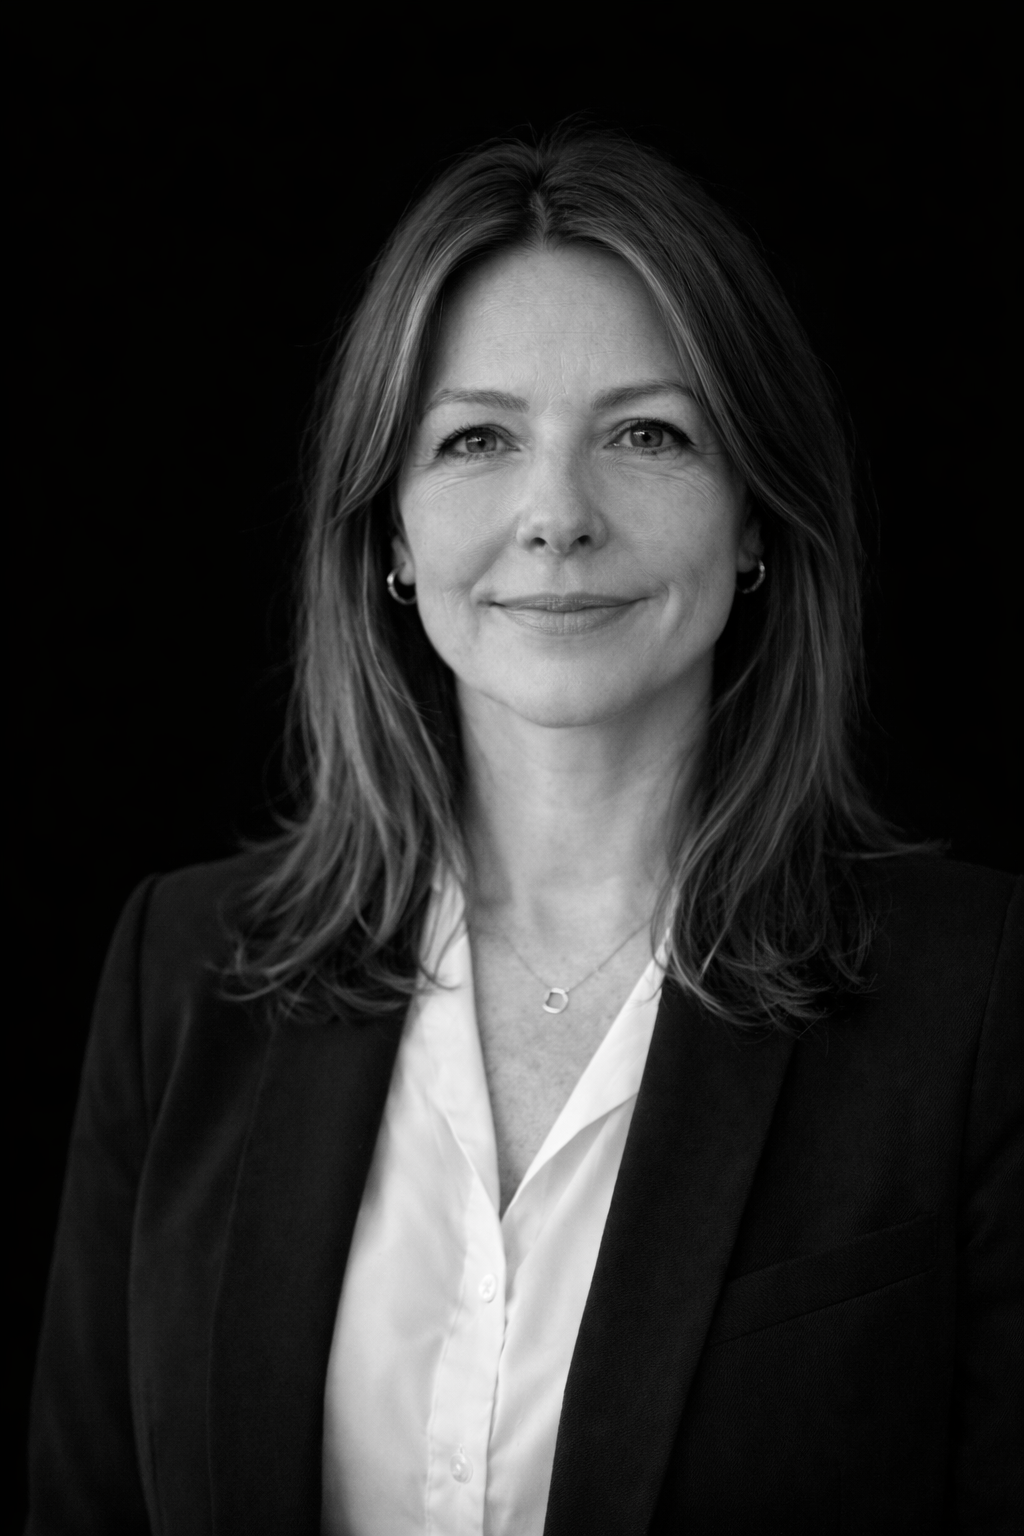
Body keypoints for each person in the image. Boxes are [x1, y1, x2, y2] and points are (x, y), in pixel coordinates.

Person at [27, 122, 1021, 1535]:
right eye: (478, 438)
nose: (557, 515)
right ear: (392, 530)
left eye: (648, 434)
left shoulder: (978, 997)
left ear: (754, 521)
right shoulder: (180, 972)